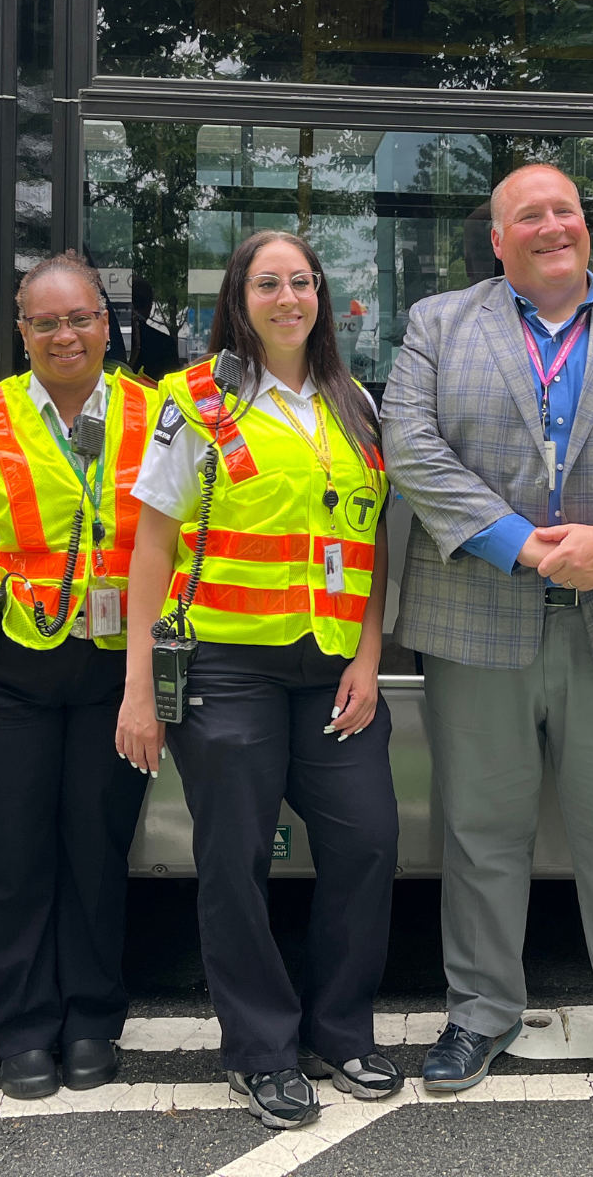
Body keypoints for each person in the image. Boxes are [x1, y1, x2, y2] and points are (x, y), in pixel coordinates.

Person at [381, 164, 593, 1132]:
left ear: (587, 226)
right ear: (497, 240)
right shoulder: (438, 324)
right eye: (526, 215)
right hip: (478, 618)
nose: (549, 226)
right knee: (479, 835)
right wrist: (516, 543)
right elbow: (409, 447)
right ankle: (479, 1014)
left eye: (563, 210)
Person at [119, 229, 398, 1131]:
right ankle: (261, 1051)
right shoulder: (192, 403)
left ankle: (340, 1030)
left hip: (330, 668)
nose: (288, 298)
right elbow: (152, 547)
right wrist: (138, 690)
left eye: (303, 282)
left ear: (322, 296)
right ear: (239, 300)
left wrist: (367, 656)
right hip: (226, 666)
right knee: (233, 863)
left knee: (366, 842)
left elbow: (371, 542)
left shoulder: (354, 403)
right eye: (268, 284)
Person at [0, 253, 160, 1099]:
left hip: (114, 675)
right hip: (4, 672)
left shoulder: (156, 417)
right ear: (21, 333)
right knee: (10, 859)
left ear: (106, 323)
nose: (65, 335)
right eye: (45, 322)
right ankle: (20, 1031)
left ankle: (91, 1021)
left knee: (95, 854)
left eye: (81, 317)